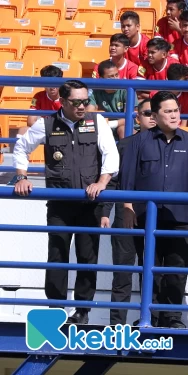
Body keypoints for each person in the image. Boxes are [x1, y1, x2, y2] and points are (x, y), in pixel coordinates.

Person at [12, 80, 120, 324]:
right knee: (57, 254)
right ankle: (56, 308)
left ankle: (82, 310)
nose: (82, 106)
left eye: (85, 101)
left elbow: (111, 154)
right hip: (60, 202)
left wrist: (102, 182)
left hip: (89, 201)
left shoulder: (97, 122)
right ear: (62, 101)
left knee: (87, 256)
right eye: (76, 102)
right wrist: (22, 176)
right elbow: (21, 148)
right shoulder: (46, 123)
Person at [120, 91, 188, 329]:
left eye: (176, 110)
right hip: (147, 217)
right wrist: (128, 207)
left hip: (181, 216)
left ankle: (173, 318)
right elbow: (127, 177)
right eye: (167, 111)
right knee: (149, 268)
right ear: (155, 115)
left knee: (178, 269)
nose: (173, 115)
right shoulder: (138, 141)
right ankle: (150, 315)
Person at [101, 98, 156, 326]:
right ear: (137, 117)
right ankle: (116, 324)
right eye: (147, 113)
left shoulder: (170, 144)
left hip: (155, 218)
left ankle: (150, 320)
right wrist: (105, 212)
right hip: (125, 216)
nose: (152, 117)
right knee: (122, 273)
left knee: (151, 273)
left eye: (155, 113)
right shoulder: (123, 145)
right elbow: (112, 181)